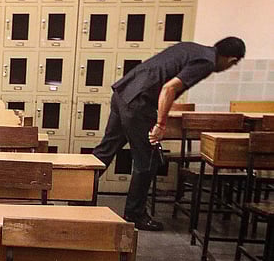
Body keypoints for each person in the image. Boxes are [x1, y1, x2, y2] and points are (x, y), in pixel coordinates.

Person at [92, 37, 245, 231]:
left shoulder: (193, 48)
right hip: (139, 101)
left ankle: (79, 196)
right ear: (231, 60)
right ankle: (134, 214)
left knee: (107, 149)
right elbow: (169, 88)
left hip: (123, 93)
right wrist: (161, 124)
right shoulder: (206, 62)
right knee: (148, 160)